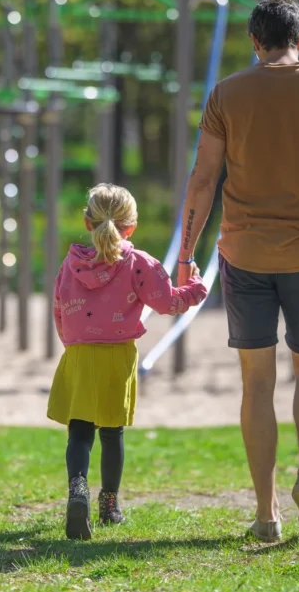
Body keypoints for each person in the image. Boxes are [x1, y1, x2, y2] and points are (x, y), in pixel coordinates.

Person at [175, 0, 299, 542]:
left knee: (256, 381)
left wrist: (186, 252)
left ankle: (266, 515)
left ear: (255, 42)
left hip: (243, 254)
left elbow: (202, 179)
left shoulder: (227, 94)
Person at [47, 183, 208, 541]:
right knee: (112, 431)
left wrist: (71, 343)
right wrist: (196, 285)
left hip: (79, 352)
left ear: (88, 223)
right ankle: (109, 506)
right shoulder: (138, 263)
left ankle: (78, 491)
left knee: (79, 432)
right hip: (118, 355)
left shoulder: (72, 263)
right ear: (131, 227)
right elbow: (167, 303)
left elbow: (59, 306)